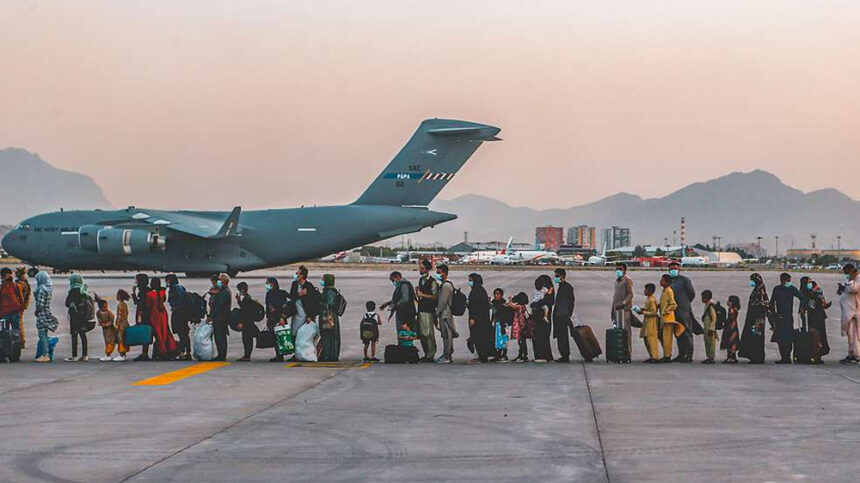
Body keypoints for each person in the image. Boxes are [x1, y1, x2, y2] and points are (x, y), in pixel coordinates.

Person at [769, 273, 801, 364]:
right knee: (780, 338)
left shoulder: (791, 289)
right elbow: (772, 302)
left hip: (787, 317)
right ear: (784, 280)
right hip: (779, 317)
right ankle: (784, 357)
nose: (790, 282)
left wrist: (801, 308)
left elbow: (801, 297)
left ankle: (787, 357)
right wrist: (773, 314)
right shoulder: (777, 289)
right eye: (789, 280)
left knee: (787, 338)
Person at [668, 262, 696, 362]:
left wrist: (684, 303)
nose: (673, 270)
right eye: (671, 269)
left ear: (679, 269)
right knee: (678, 333)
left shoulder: (685, 280)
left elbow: (691, 294)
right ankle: (681, 354)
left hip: (683, 310)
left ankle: (688, 355)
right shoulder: (669, 281)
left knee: (687, 333)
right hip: (673, 311)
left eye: (675, 268)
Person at [288, 265, 318, 358]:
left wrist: (310, 316)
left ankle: (305, 353)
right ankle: (296, 353)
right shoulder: (294, 284)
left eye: (298, 273)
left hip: (306, 315)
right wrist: (299, 294)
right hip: (297, 314)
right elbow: (291, 296)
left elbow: (312, 303)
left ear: (302, 275)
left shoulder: (309, 286)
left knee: (304, 335)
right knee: (294, 333)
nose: (296, 275)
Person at [739, 273, 769, 364]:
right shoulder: (757, 290)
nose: (751, 282)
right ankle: (753, 356)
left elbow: (764, 305)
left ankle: (758, 357)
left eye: (752, 280)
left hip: (757, 320)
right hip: (753, 318)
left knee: (757, 336)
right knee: (753, 336)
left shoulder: (761, 291)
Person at [147, 277, 177, 360]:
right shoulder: (162, 292)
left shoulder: (149, 294)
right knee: (165, 331)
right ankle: (171, 348)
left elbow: (148, 305)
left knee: (158, 333)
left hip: (154, 314)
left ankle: (162, 351)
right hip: (163, 313)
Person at [415, 259, 439, 362]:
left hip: (428, 310)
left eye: (422, 268)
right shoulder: (421, 280)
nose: (420, 270)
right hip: (421, 309)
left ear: (427, 269)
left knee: (428, 333)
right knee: (422, 333)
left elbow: (435, 296)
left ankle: (431, 354)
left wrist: (422, 295)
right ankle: (426, 353)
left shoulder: (432, 281)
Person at [466, 273, 493, 363]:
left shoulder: (477, 292)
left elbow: (477, 306)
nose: (469, 282)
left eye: (471, 280)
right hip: (481, 319)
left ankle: (482, 356)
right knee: (478, 337)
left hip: (479, 320)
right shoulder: (479, 290)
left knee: (479, 338)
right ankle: (480, 355)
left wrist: (473, 317)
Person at [64, 273, 91, 362]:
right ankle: (85, 355)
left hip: (75, 316)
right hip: (83, 316)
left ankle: (75, 355)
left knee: (74, 335)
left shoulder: (73, 291)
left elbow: (67, 303)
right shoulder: (83, 290)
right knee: (83, 335)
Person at [33, 271, 58, 363]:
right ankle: (47, 353)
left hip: (42, 313)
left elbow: (40, 304)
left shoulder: (41, 289)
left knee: (42, 334)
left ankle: (45, 354)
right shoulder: (48, 288)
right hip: (47, 312)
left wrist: (36, 311)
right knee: (45, 333)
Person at [658, 274, 683, 363]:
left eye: (662, 280)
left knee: (667, 338)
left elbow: (673, 304)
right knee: (664, 337)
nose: (660, 281)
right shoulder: (664, 291)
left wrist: (666, 311)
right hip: (664, 318)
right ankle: (666, 354)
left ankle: (667, 356)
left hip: (668, 318)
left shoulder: (669, 291)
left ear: (667, 282)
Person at [166, 274, 191, 361]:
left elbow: (179, 300)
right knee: (184, 333)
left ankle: (183, 353)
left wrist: (177, 307)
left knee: (182, 333)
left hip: (179, 313)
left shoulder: (174, 288)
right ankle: (186, 352)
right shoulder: (180, 287)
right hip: (183, 312)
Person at [838, 264, 860, 364]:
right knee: (850, 335)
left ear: (851, 271)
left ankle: (857, 355)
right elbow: (846, 290)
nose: (846, 274)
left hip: (855, 312)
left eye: (847, 272)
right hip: (849, 312)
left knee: (856, 336)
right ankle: (851, 354)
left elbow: (854, 289)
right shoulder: (851, 280)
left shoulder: (858, 279)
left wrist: (851, 280)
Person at [611, 263, 634, 358]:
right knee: (618, 332)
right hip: (617, 310)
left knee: (626, 332)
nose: (618, 271)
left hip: (624, 310)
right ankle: (620, 352)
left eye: (620, 269)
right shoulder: (616, 281)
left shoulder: (627, 280)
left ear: (625, 270)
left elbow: (630, 294)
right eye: (617, 269)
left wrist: (624, 303)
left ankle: (627, 353)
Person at [208, 273, 232, 361]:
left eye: (219, 280)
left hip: (220, 318)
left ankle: (221, 355)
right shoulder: (224, 291)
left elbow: (218, 306)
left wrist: (211, 315)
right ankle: (221, 354)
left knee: (220, 337)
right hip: (221, 317)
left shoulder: (224, 292)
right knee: (220, 336)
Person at [434, 264, 456, 364]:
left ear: (445, 273)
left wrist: (437, 313)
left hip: (445, 314)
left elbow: (442, 302)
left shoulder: (446, 286)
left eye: (439, 272)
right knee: (446, 336)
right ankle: (447, 355)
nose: (437, 274)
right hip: (445, 314)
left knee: (447, 336)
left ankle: (447, 356)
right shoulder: (444, 285)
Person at [531, 274, 555, 363]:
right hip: (545, 317)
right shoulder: (548, 291)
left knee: (540, 336)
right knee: (544, 337)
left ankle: (541, 356)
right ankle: (547, 356)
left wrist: (535, 305)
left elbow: (545, 302)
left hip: (541, 317)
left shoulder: (546, 293)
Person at [553, 268, 575, 363]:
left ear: (563, 276)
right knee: (560, 335)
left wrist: (568, 314)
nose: (556, 278)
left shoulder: (567, 287)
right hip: (559, 314)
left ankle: (565, 355)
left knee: (563, 336)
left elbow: (571, 301)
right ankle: (563, 354)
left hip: (562, 315)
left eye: (557, 276)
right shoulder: (561, 286)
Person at [633, 283, 659, 363]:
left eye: (645, 290)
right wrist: (641, 310)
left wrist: (643, 312)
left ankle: (654, 357)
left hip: (651, 322)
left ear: (650, 291)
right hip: (647, 321)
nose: (644, 291)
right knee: (646, 338)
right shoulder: (649, 299)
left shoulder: (651, 300)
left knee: (651, 339)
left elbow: (654, 312)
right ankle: (651, 355)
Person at [265, 277, 289, 362]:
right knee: (275, 338)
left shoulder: (281, 293)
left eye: (268, 283)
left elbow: (286, 305)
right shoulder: (269, 294)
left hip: (279, 318)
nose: (267, 285)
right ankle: (279, 354)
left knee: (280, 337)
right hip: (272, 319)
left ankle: (280, 354)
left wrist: (282, 317)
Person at [318, 274, 342, 362]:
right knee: (329, 336)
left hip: (328, 317)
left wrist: (320, 303)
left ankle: (329, 355)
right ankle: (329, 354)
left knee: (328, 335)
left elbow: (330, 304)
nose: (322, 281)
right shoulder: (330, 291)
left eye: (323, 279)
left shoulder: (330, 291)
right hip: (330, 316)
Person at [235, 281, 260, 362]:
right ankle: (247, 355)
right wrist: (239, 301)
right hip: (249, 322)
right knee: (247, 339)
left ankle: (247, 356)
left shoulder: (246, 300)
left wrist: (241, 322)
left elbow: (245, 312)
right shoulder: (247, 298)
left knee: (247, 339)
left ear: (242, 290)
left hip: (247, 323)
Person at [806, 280, 831, 362]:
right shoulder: (809, 292)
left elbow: (823, 304)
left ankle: (817, 355)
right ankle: (815, 355)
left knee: (818, 336)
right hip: (814, 317)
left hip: (817, 317)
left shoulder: (817, 292)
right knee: (816, 336)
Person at [131, 273, 152, 361]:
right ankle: (145, 353)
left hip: (144, 315)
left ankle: (144, 354)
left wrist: (133, 293)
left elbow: (139, 304)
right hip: (149, 314)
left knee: (145, 333)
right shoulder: (148, 290)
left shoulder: (142, 292)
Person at [508, 292, 531, 363]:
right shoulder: (523, 306)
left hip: (521, 325)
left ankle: (524, 356)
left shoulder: (520, 306)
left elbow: (510, 305)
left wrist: (510, 299)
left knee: (521, 341)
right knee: (521, 341)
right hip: (522, 325)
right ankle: (521, 355)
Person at [491, 288, 511, 361]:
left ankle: (504, 354)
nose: (496, 295)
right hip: (497, 323)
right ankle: (498, 354)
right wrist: (492, 322)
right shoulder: (493, 303)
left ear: (501, 295)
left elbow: (506, 314)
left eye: (498, 294)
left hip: (503, 323)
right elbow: (493, 314)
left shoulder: (503, 304)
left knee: (504, 338)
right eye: (495, 294)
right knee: (497, 339)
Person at [720, 295, 741, 363]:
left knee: (731, 342)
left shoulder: (732, 310)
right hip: (732, 327)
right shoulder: (733, 309)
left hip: (731, 328)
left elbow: (731, 319)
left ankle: (731, 357)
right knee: (731, 342)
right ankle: (731, 356)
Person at [700, 290, 718, 364]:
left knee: (711, 343)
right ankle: (709, 357)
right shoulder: (707, 304)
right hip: (706, 327)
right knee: (707, 342)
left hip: (710, 328)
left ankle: (711, 357)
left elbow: (714, 318)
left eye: (702, 298)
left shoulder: (710, 306)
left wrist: (712, 328)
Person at [15, 267, 31, 349]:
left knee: (19, 324)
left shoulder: (21, 283)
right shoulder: (24, 282)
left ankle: (21, 341)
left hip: (19, 306)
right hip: (22, 305)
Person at [114, 290, 131, 361]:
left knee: (120, 338)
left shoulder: (120, 304)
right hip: (125, 322)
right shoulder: (124, 304)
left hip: (121, 324)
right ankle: (123, 353)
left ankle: (121, 354)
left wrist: (117, 324)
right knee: (124, 338)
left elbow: (119, 316)